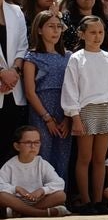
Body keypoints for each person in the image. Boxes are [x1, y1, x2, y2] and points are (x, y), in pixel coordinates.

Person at [62, 15, 108, 214]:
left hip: (107, 109)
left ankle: (98, 200)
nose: (97, 36)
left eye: (100, 32)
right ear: (82, 34)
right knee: (85, 157)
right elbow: (70, 88)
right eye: (92, 32)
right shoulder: (77, 58)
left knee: (100, 158)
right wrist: (75, 116)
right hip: (86, 109)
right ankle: (85, 200)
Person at [22, 11, 71, 180]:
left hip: (64, 111)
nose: (56, 31)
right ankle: (41, 192)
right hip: (41, 111)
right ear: (40, 29)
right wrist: (47, 118)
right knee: (43, 152)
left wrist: (68, 118)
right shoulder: (32, 57)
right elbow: (30, 92)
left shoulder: (68, 56)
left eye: (59, 27)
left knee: (63, 155)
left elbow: (74, 88)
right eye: (51, 26)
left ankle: (60, 193)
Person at [0, 126, 70, 218]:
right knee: (2, 196)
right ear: (17, 146)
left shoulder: (42, 163)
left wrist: (42, 190)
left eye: (36, 142)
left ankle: (22, 212)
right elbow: (1, 184)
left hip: (39, 200)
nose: (33, 146)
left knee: (61, 195)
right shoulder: (10, 165)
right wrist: (16, 189)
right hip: (17, 201)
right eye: (28, 142)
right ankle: (41, 213)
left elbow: (59, 183)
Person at [0, 0, 30, 165]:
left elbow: (22, 46)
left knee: (10, 145)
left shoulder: (16, 11)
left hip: (13, 87)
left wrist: (14, 71)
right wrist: (2, 73)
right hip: (3, 80)